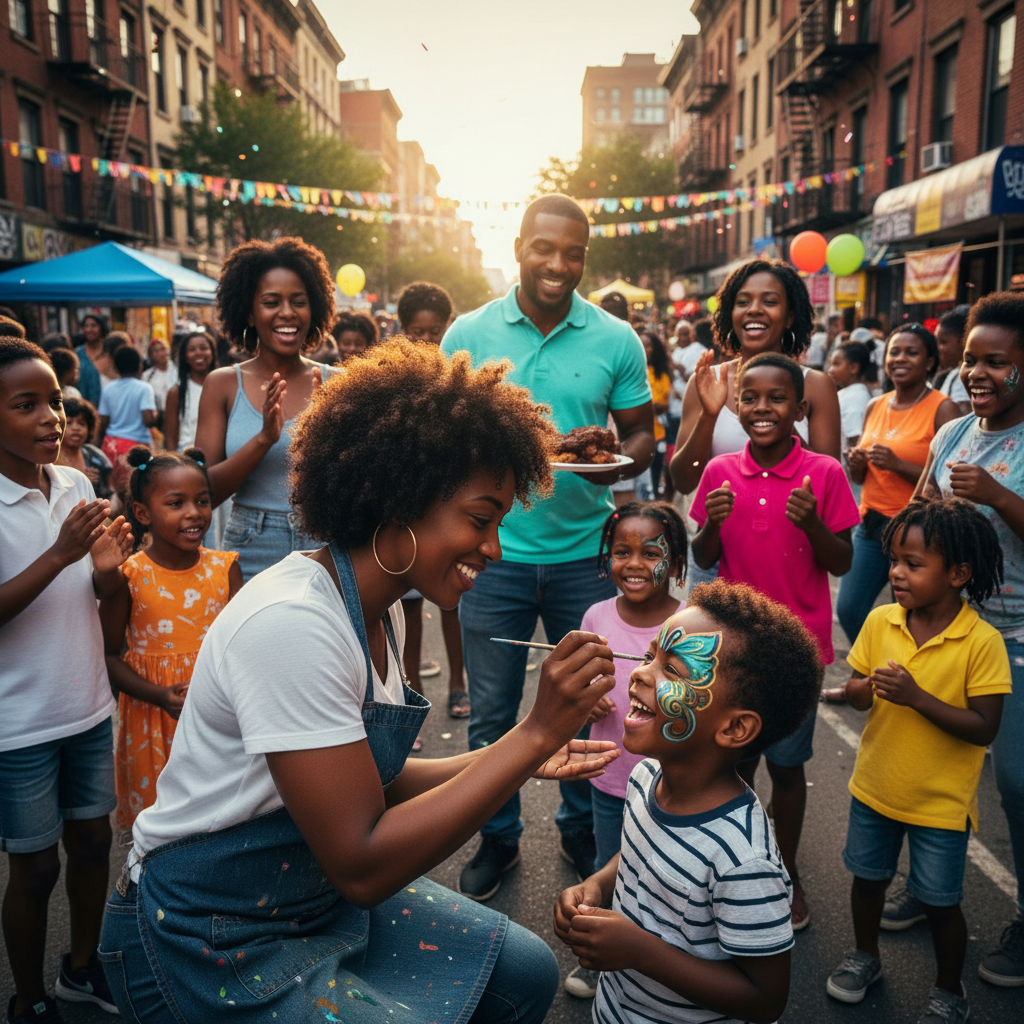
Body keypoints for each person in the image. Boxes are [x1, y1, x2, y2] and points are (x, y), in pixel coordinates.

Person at [98, 337, 622, 1024]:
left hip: (307, 900)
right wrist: (533, 733)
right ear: (399, 503)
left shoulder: (374, 610)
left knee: (522, 972)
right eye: (480, 519)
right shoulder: (295, 622)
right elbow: (362, 866)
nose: (493, 549)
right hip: (204, 936)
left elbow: (368, 780)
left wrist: (515, 758)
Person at [440, 194, 655, 899]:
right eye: (544, 248)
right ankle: (497, 839)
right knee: (495, 718)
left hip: (584, 562)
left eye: (573, 253)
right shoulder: (469, 331)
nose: (558, 264)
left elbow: (640, 434)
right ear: (520, 249)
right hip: (493, 557)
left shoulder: (616, 338)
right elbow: (441, 435)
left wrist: (616, 460)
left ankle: (578, 829)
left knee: (591, 709)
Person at [554, 582, 823, 1024]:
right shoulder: (645, 777)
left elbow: (765, 998)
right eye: (648, 656)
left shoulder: (743, 859)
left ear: (735, 728)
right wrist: (598, 885)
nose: (640, 673)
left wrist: (640, 952)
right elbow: (641, 852)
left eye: (673, 670)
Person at [690, 353, 860, 930]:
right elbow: (704, 557)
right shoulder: (718, 472)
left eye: (777, 398)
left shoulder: (824, 473)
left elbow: (843, 558)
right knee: (735, 765)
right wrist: (710, 524)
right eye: (751, 397)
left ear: (800, 409)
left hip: (800, 651)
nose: (762, 408)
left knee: (787, 768)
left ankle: (786, 873)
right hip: (734, 650)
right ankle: (732, 872)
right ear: (737, 405)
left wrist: (813, 523)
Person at [826, 498, 1009, 1024]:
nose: (896, 573)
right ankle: (865, 957)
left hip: (940, 804)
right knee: (867, 880)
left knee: (938, 902)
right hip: (876, 787)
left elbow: (984, 728)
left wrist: (918, 698)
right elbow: (861, 696)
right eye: (895, 560)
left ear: (958, 573)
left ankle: (950, 988)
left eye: (913, 563)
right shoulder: (883, 620)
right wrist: (860, 690)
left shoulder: (981, 642)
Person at [0, 337, 133, 1023]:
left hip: (85, 705)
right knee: (35, 868)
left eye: (53, 399)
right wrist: (61, 554)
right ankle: (29, 999)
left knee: (91, 845)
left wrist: (110, 570)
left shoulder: (78, 484)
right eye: (27, 405)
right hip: (18, 724)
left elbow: (103, 600)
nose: (51, 416)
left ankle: (82, 969)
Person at [912, 292, 1024, 986]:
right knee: (927, 763)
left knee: (1014, 782)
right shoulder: (951, 435)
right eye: (969, 359)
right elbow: (922, 513)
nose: (976, 372)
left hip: (1016, 636)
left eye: (996, 362)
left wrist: (998, 496)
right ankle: (924, 885)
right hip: (950, 629)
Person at [563, 500, 687, 1000]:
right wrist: (587, 701)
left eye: (650, 552)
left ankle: (660, 954)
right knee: (609, 862)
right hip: (609, 778)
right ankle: (602, 956)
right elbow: (580, 688)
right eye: (621, 551)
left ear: (676, 564)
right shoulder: (595, 614)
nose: (634, 563)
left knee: (664, 873)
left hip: (671, 785)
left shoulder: (689, 626)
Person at [98, 446, 241, 835]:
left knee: (220, 822)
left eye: (203, 501)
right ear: (142, 513)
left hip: (218, 717)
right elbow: (108, 656)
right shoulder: (130, 575)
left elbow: (241, 649)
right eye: (176, 503)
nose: (194, 513)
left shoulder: (225, 568)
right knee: (161, 832)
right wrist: (160, 695)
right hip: (153, 721)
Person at [195, 237, 338, 582]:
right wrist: (263, 439)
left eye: (299, 301)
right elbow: (202, 494)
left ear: (314, 308)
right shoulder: (222, 384)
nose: (287, 313)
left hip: (328, 544)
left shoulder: (339, 384)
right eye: (271, 302)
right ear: (249, 311)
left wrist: (324, 439)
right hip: (252, 543)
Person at [671, 260, 842, 500]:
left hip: (793, 533)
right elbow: (684, 482)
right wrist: (709, 416)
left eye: (769, 302)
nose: (754, 310)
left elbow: (830, 485)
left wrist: (780, 417)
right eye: (742, 302)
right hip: (720, 534)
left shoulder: (816, 385)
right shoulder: (708, 382)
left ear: (790, 316)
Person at [836, 325, 960, 648]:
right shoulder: (874, 406)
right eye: (894, 352)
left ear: (930, 361)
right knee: (850, 609)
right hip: (871, 525)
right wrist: (858, 466)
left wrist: (897, 464)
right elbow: (863, 479)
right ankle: (872, 672)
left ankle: (901, 685)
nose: (900, 359)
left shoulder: (942, 408)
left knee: (910, 617)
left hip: (918, 532)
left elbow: (949, 480)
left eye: (912, 352)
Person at [394, 281, 469, 729]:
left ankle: (458, 681)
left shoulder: (458, 376)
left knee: (451, 601)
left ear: (446, 329)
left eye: (434, 330)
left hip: (448, 508)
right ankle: (412, 692)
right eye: (416, 331)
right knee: (405, 608)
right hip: (405, 510)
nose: (425, 340)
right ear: (403, 330)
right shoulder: (391, 380)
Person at [96, 346, 159, 490]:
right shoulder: (144, 388)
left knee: (116, 491)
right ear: (140, 366)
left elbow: (103, 421)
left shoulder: (108, 388)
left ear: (115, 367)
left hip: (112, 446)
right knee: (138, 489)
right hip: (136, 448)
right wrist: (157, 414)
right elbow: (148, 420)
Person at [163, 331, 217, 453]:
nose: (198, 353)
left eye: (203, 348)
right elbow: (171, 440)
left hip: (222, 459)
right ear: (186, 357)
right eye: (192, 350)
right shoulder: (176, 392)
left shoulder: (225, 386)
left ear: (212, 353)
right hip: (189, 459)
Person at [56, 397, 113, 500]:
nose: (76, 428)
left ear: (89, 429)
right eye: (69, 422)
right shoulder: (50, 458)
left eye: (81, 423)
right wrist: (81, 482)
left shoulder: (95, 455)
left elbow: (110, 491)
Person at [639, 331, 672, 499]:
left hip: (657, 433)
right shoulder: (634, 371)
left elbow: (664, 405)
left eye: (649, 345)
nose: (646, 349)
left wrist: (649, 405)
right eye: (642, 345)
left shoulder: (661, 374)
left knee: (656, 472)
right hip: (637, 434)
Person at [829, 340, 878, 450]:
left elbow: (856, 439)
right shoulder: (849, 393)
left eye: (836, 364)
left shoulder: (854, 397)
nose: (830, 370)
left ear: (853, 368)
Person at [933, 305, 972, 416]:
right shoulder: (954, 373)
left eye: (943, 342)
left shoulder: (964, 377)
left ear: (964, 341)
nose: (938, 349)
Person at [73, 315, 105, 407]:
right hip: (84, 406)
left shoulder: (108, 351)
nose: (89, 330)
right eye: (86, 326)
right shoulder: (77, 353)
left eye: (94, 326)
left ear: (101, 328)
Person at [142, 339, 176, 418]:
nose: (161, 353)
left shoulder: (177, 372)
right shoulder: (147, 376)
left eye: (163, 349)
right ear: (151, 355)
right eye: (156, 351)